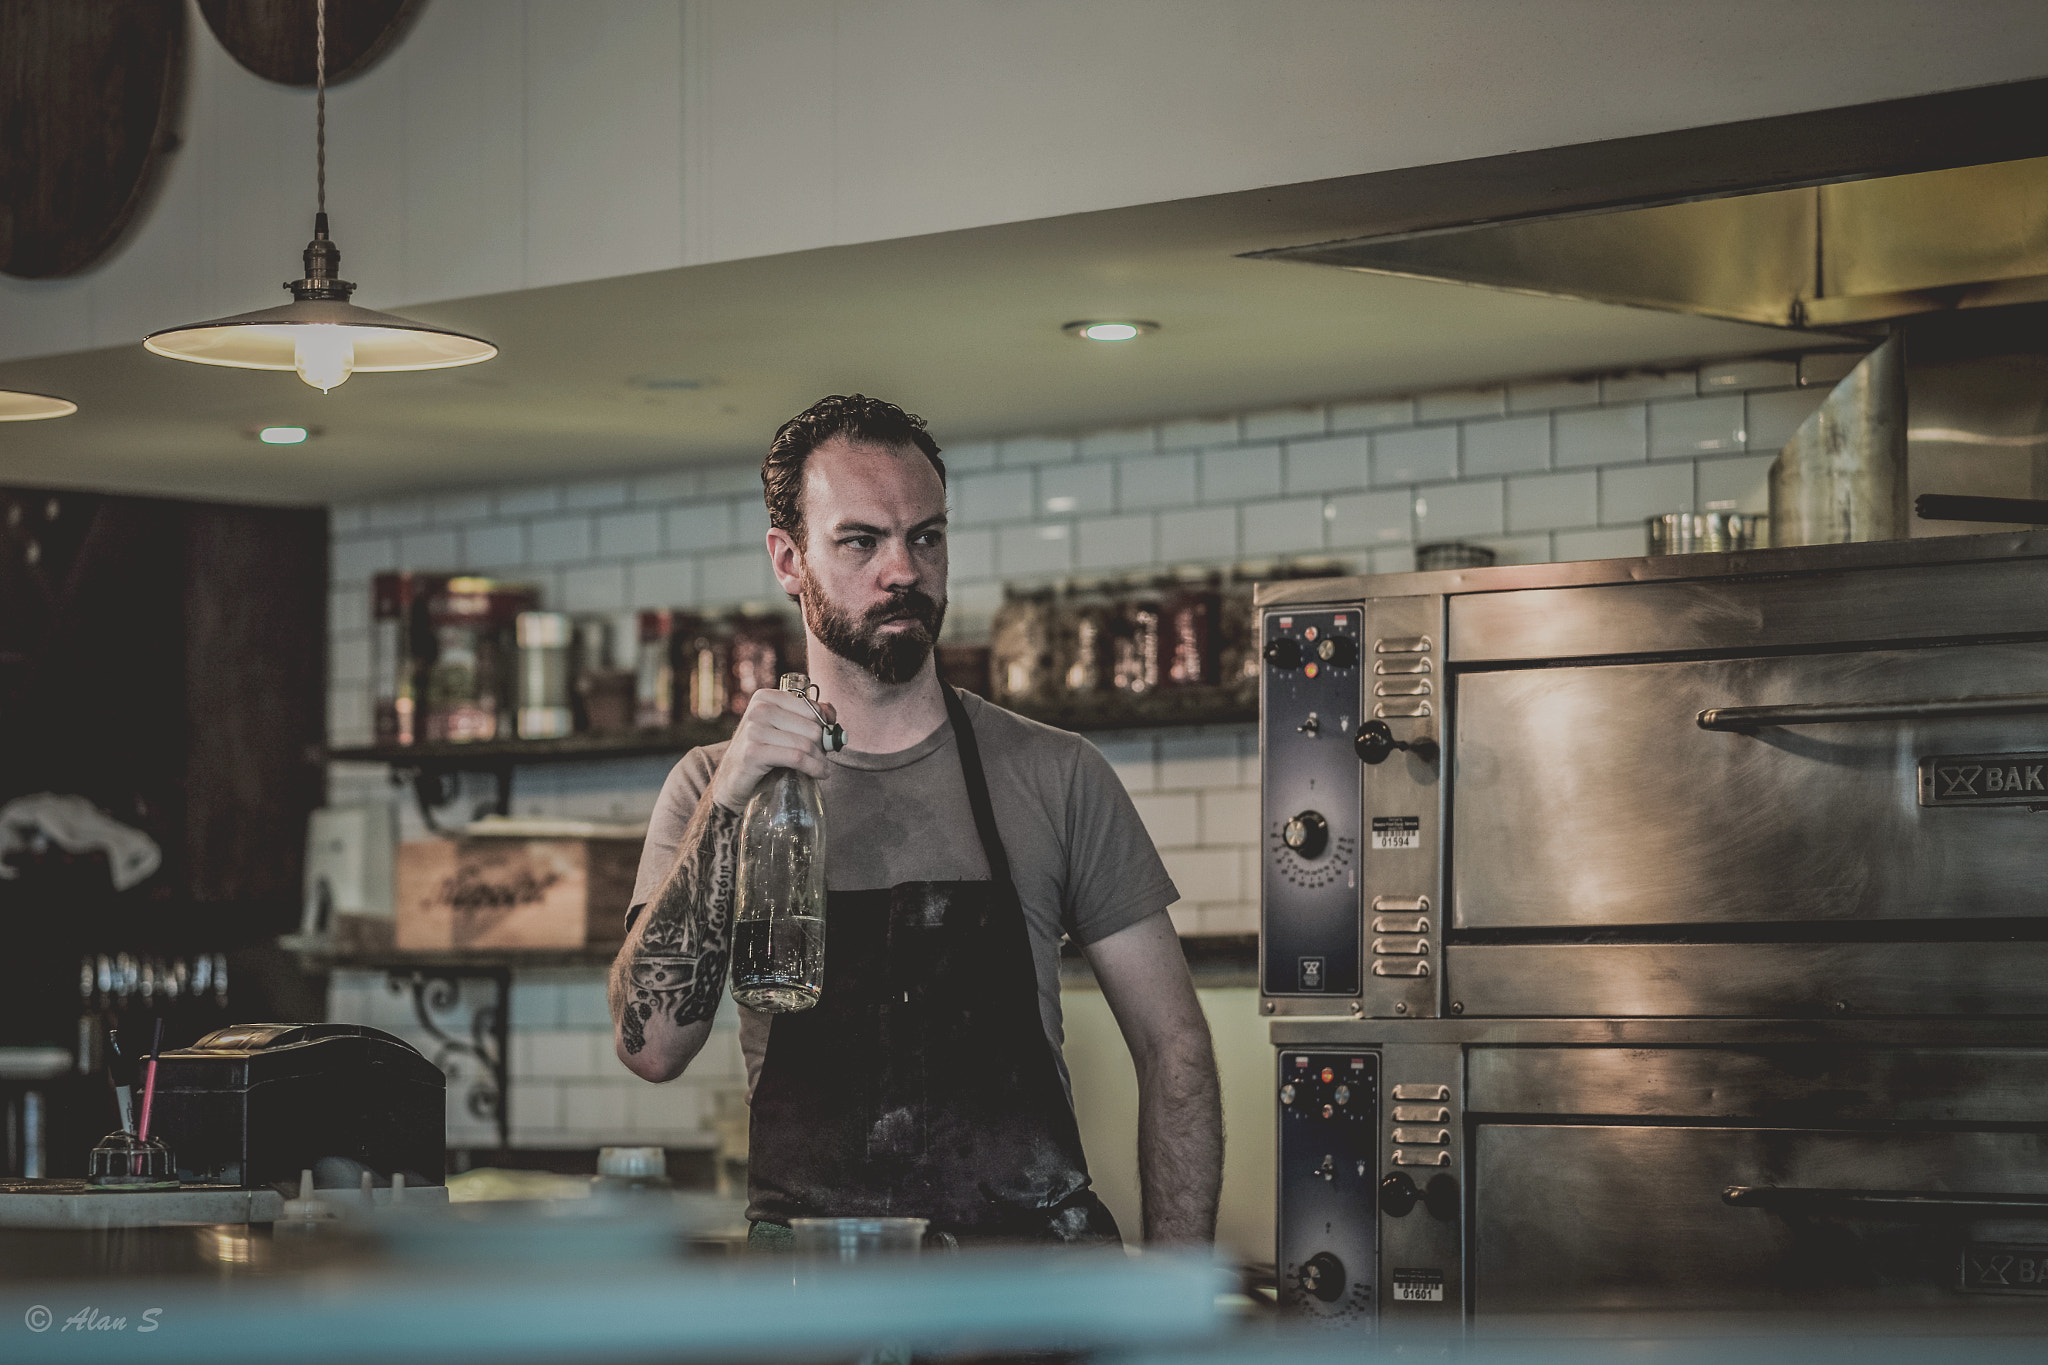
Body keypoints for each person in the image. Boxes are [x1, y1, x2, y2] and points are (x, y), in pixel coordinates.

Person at [609, 394, 1222, 1246]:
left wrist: (1170, 1302)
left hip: (1029, 1298)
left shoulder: (1054, 772)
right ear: (788, 561)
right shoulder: (711, 786)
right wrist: (732, 802)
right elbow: (653, 1048)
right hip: (817, 1297)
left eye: (926, 536)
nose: (903, 568)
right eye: (861, 540)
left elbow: (1174, 1046)